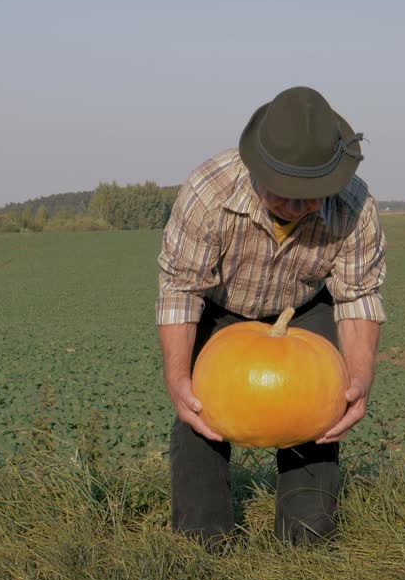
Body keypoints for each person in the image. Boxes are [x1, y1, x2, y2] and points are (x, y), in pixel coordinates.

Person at [156, 85, 386, 546]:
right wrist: (178, 379)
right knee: (200, 420)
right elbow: (181, 289)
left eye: (315, 194)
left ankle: (305, 545)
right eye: (288, 194)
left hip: (302, 308)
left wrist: (358, 381)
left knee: (320, 415)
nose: (303, 207)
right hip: (219, 308)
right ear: (257, 170)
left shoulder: (356, 205)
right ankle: (202, 545)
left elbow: (358, 296)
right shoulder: (208, 192)